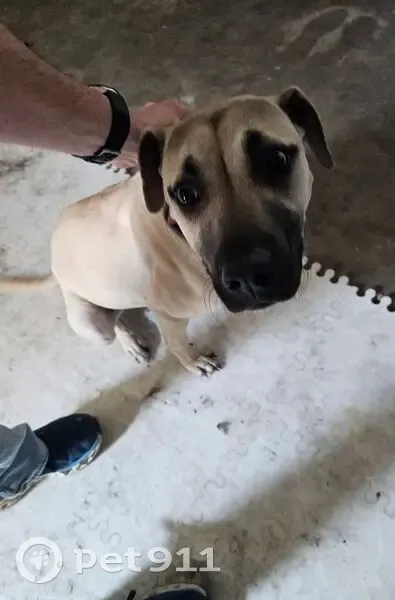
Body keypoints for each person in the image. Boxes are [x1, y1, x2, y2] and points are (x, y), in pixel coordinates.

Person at [0, 22, 208, 600]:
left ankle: (11, 465)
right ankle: (125, 328)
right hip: (88, 280)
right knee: (98, 326)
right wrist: (129, 134)